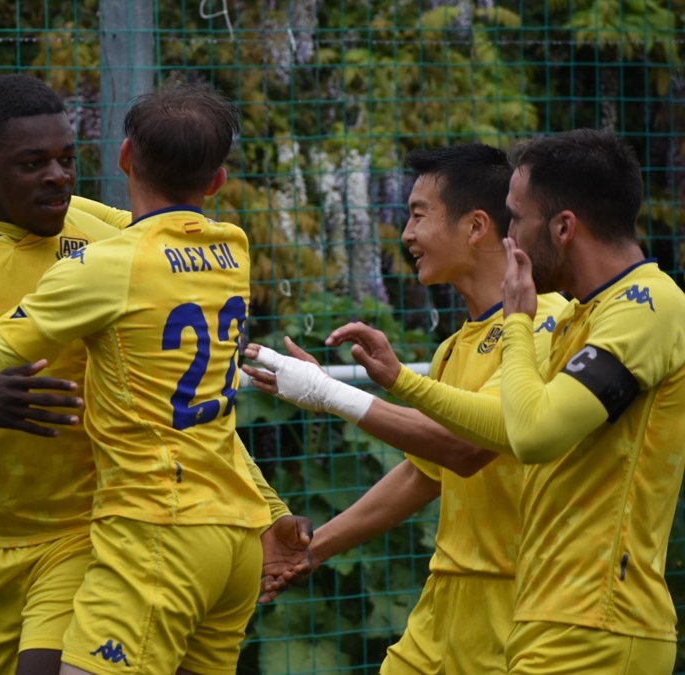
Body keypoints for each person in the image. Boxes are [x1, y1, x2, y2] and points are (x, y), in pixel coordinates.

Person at [0, 82, 312, 675]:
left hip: (99, 532)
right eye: (31, 164)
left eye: (67, 161)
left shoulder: (106, 249)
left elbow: (152, 219)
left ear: (118, 158)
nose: (57, 177)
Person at [318, 130, 685, 674]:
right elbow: (475, 445)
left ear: (563, 228)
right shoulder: (583, 316)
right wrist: (399, 380)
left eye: (517, 218)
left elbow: (529, 435)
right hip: (542, 617)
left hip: (598, 621)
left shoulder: (646, 305)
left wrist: (513, 322)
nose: (508, 234)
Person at [243, 143, 567, 675]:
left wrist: (330, 395)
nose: (405, 236)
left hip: (520, 612)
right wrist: (314, 549)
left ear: (477, 225)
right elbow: (427, 473)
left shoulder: (545, 320)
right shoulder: (452, 348)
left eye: (418, 216)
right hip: (443, 608)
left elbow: (467, 450)